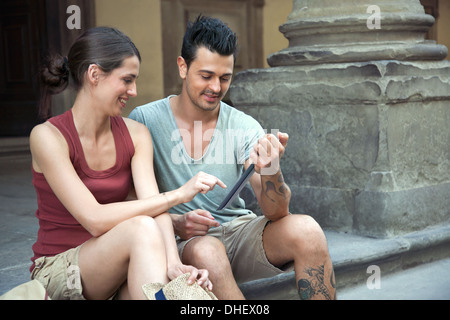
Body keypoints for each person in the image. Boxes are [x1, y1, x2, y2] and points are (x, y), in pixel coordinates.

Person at [129, 16, 336, 300]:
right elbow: (128, 201)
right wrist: (176, 222)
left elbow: (276, 214)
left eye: (225, 77)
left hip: (239, 232)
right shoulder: (145, 120)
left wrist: (270, 170)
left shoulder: (243, 124)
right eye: (206, 76)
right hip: (180, 243)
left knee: (308, 230)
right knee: (206, 249)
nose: (216, 87)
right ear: (182, 67)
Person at [30, 26, 222, 300]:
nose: (133, 91)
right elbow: (95, 220)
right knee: (141, 227)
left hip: (120, 265)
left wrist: (172, 263)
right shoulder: (48, 137)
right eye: (127, 80)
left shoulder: (136, 134)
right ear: (95, 75)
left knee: (184, 293)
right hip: (60, 269)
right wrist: (177, 195)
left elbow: (156, 209)